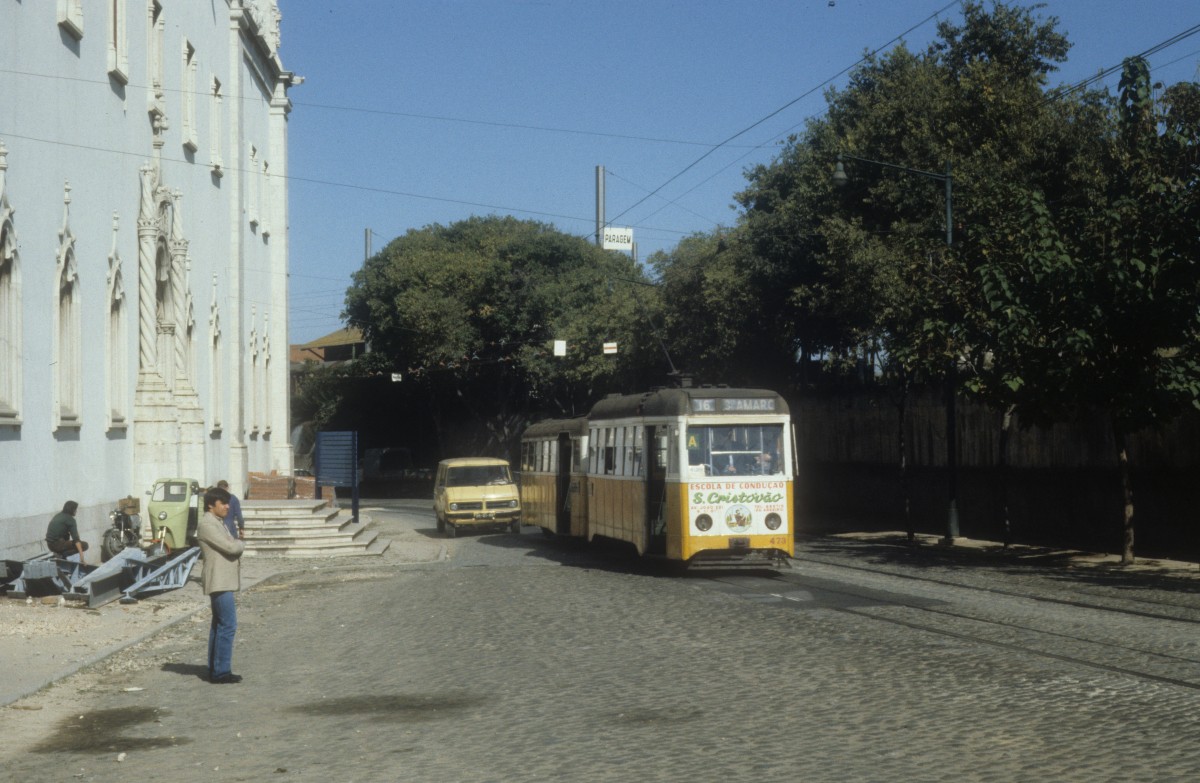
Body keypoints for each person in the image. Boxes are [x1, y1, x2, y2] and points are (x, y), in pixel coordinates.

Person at [197, 486, 245, 684]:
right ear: (211, 505)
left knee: (219, 625)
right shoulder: (208, 524)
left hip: (223, 579)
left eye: (228, 503)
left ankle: (216, 668)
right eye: (223, 503)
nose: (227, 507)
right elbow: (231, 547)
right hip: (219, 580)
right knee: (228, 624)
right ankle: (220, 672)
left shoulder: (219, 522)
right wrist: (241, 543)